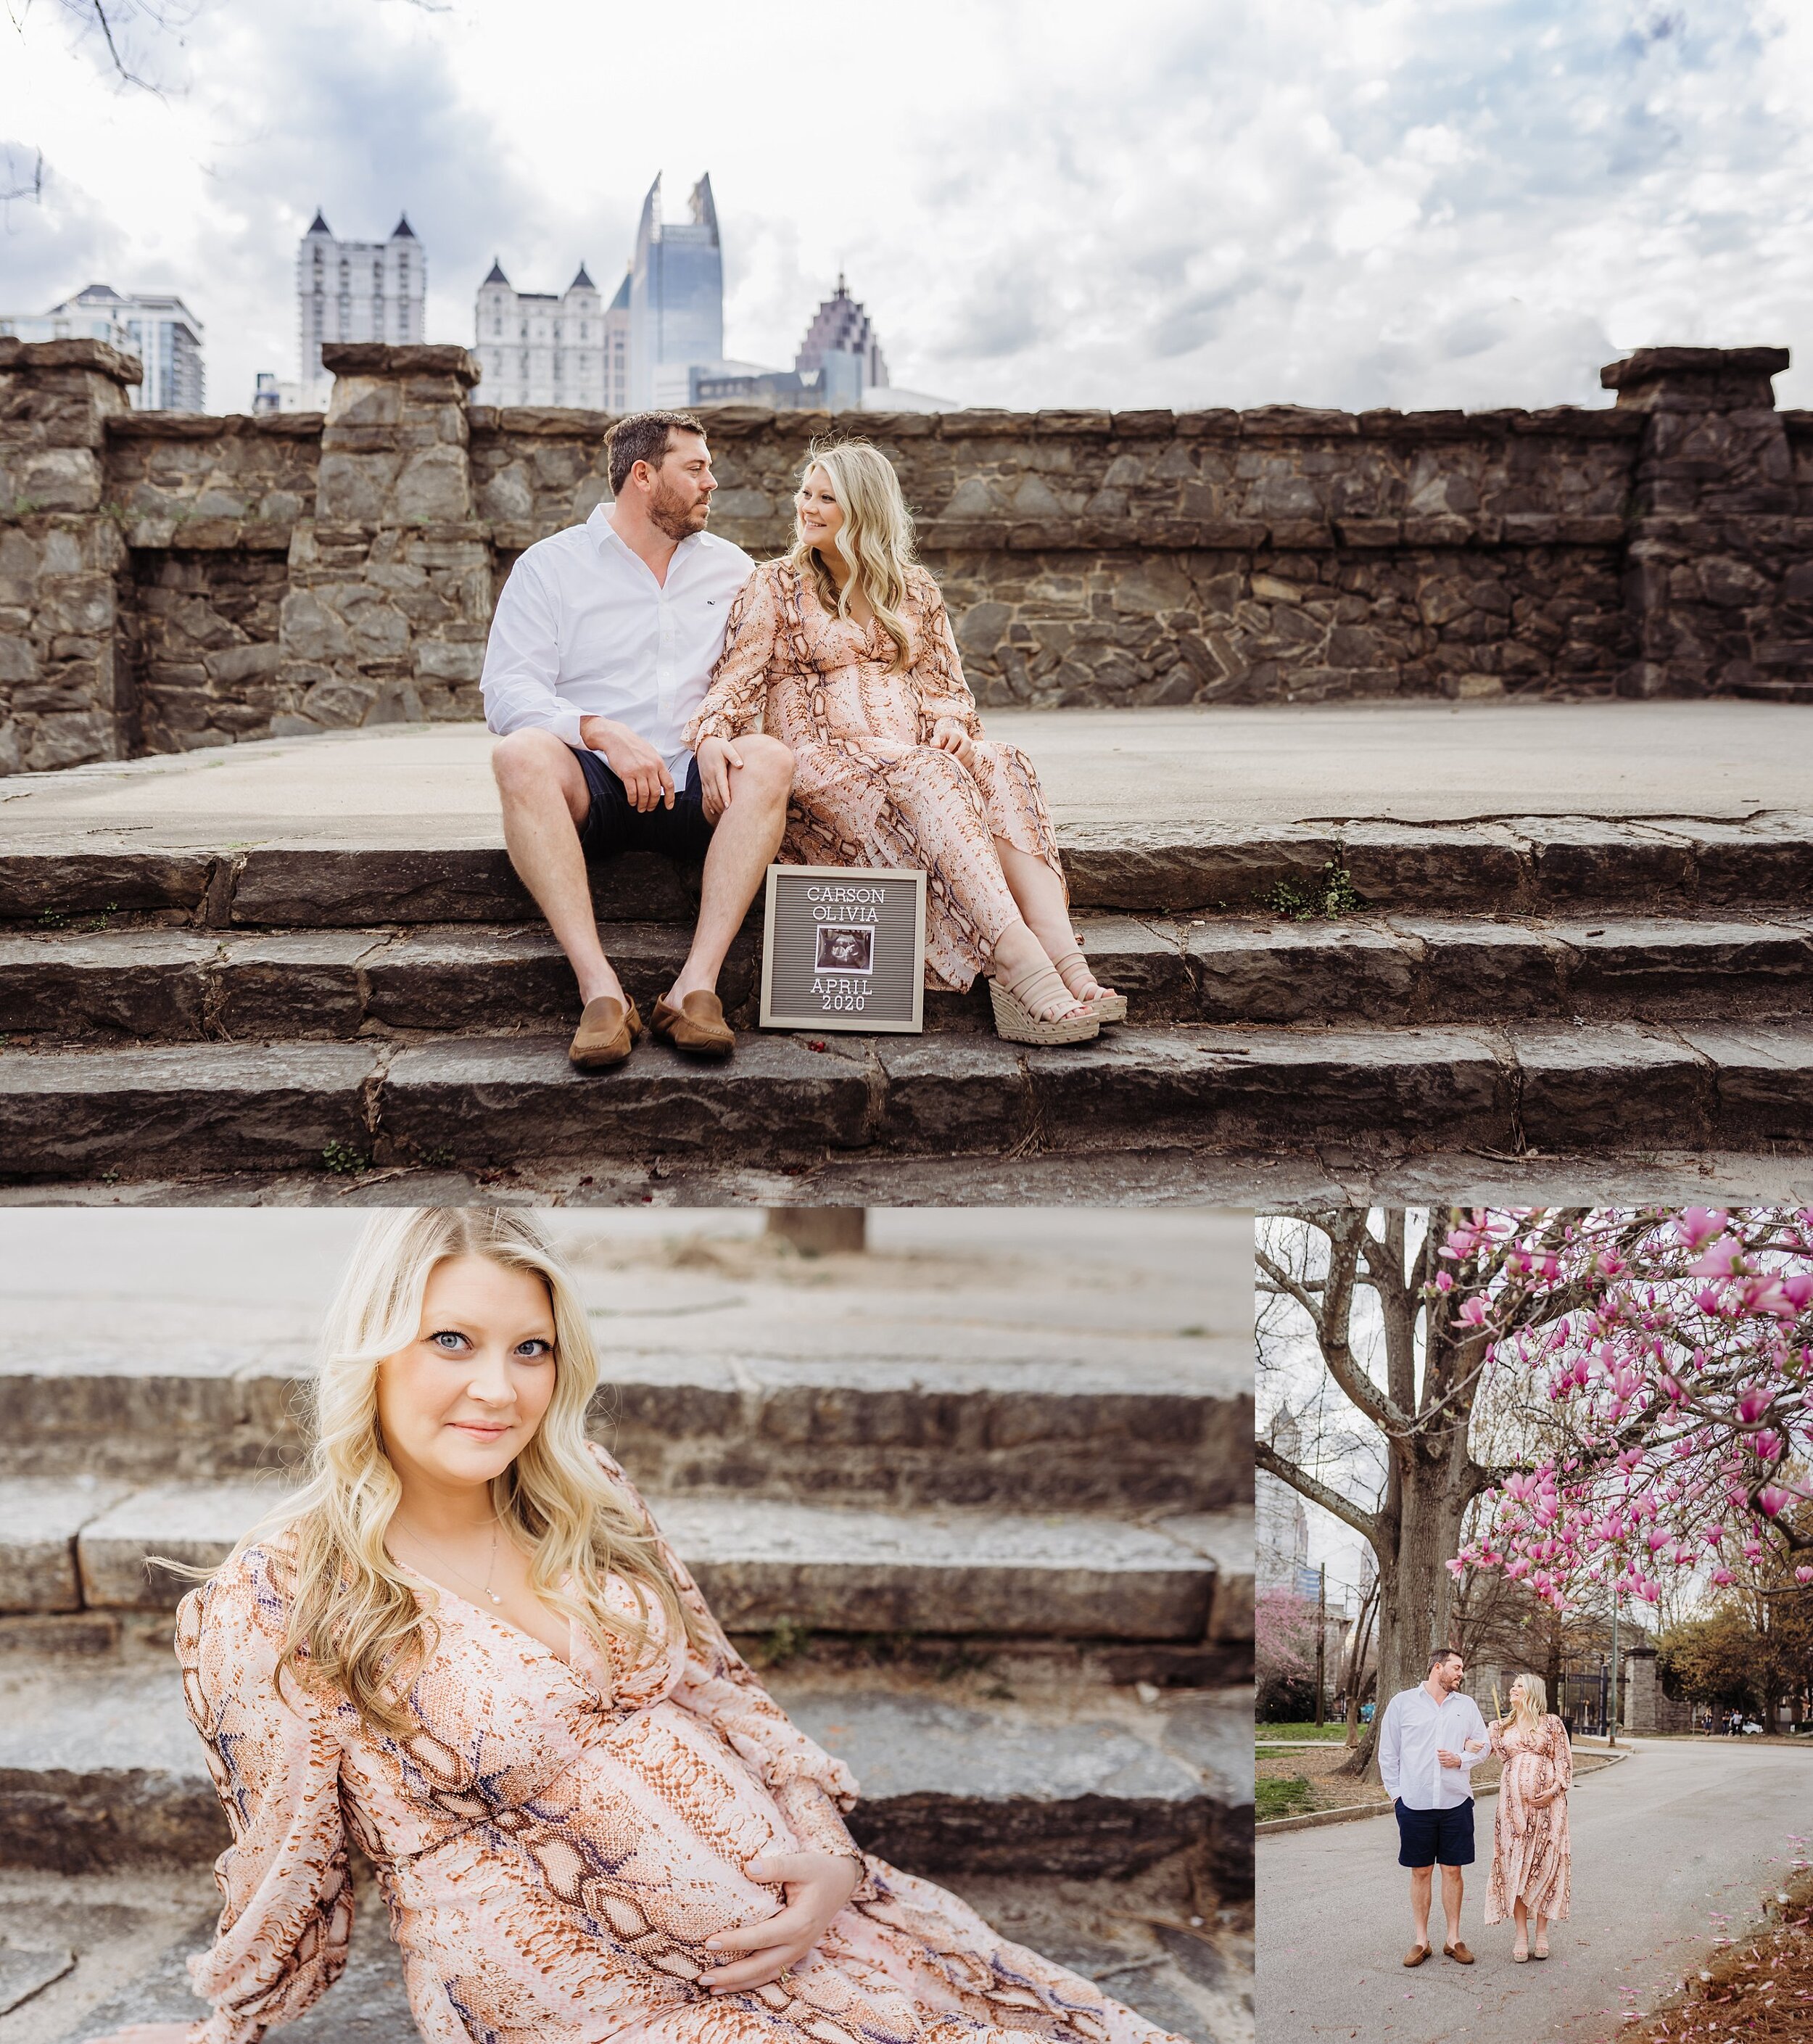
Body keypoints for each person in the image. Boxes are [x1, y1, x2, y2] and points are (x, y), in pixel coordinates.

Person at [85, 1210, 1187, 2044]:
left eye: (532, 1348)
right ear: (372, 1351)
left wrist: (828, 1851)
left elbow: (725, 1688)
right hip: (574, 1981)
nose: (498, 1389)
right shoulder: (279, 1595)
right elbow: (286, 1865)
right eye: (452, 1340)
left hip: (820, 1920)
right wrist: (227, 2019)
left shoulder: (586, 1492)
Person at [685, 441, 1121, 1047]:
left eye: (825, 498)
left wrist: (952, 726)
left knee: (1005, 761)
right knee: (927, 773)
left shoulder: (914, 588)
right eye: (805, 493)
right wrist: (710, 736)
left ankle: (1065, 958)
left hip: (906, 756)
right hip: (824, 769)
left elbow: (948, 688)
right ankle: (1018, 962)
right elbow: (735, 678)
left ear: (863, 509)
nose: (807, 507)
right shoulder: (775, 586)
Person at [482, 411, 796, 1070]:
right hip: (592, 782)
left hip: (695, 783)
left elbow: (758, 675)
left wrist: (720, 732)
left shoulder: (733, 570)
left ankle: (694, 989)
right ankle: (602, 995)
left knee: (769, 759)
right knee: (518, 755)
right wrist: (594, 730)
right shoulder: (551, 567)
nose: (714, 481)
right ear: (643, 476)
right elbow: (507, 692)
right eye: (697, 468)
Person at [1377, 1647, 1491, 1968]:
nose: (1461, 1673)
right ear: (1437, 1668)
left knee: (1453, 1871)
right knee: (1421, 1871)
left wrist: (1462, 1759)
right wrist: (1397, 1797)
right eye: (1456, 1668)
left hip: (1456, 1801)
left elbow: (1485, 1746)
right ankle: (1421, 1940)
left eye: (1462, 1669)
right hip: (1414, 1803)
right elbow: (1388, 1754)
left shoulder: (1465, 1706)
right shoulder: (1402, 1704)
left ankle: (1453, 1939)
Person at [1484, 1672, 1572, 1962]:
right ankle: (1521, 1934)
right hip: (1511, 1811)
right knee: (1517, 1867)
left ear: (1532, 1692)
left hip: (1549, 1807)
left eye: (1518, 1686)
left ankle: (1542, 1933)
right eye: (1512, 1686)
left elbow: (1564, 1763)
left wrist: (1553, 1791)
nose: (1512, 1689)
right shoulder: (1501, 1727)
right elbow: (1479, 1748)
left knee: (1545, 1864)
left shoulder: (1552, 1724)